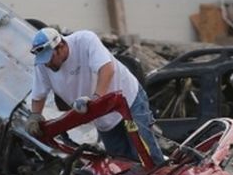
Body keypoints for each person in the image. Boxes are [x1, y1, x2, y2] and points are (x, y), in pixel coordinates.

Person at [26, 27, 166, 165]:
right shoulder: (43, 65)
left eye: (49, 59)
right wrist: (35, 116)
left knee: (146, 154)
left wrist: (96, 98)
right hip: (102, 117)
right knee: (120, 165)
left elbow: (107, 69)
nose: (47, 64)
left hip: (129, 102)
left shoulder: (85, 41)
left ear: (61, 47)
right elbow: (39, 93)